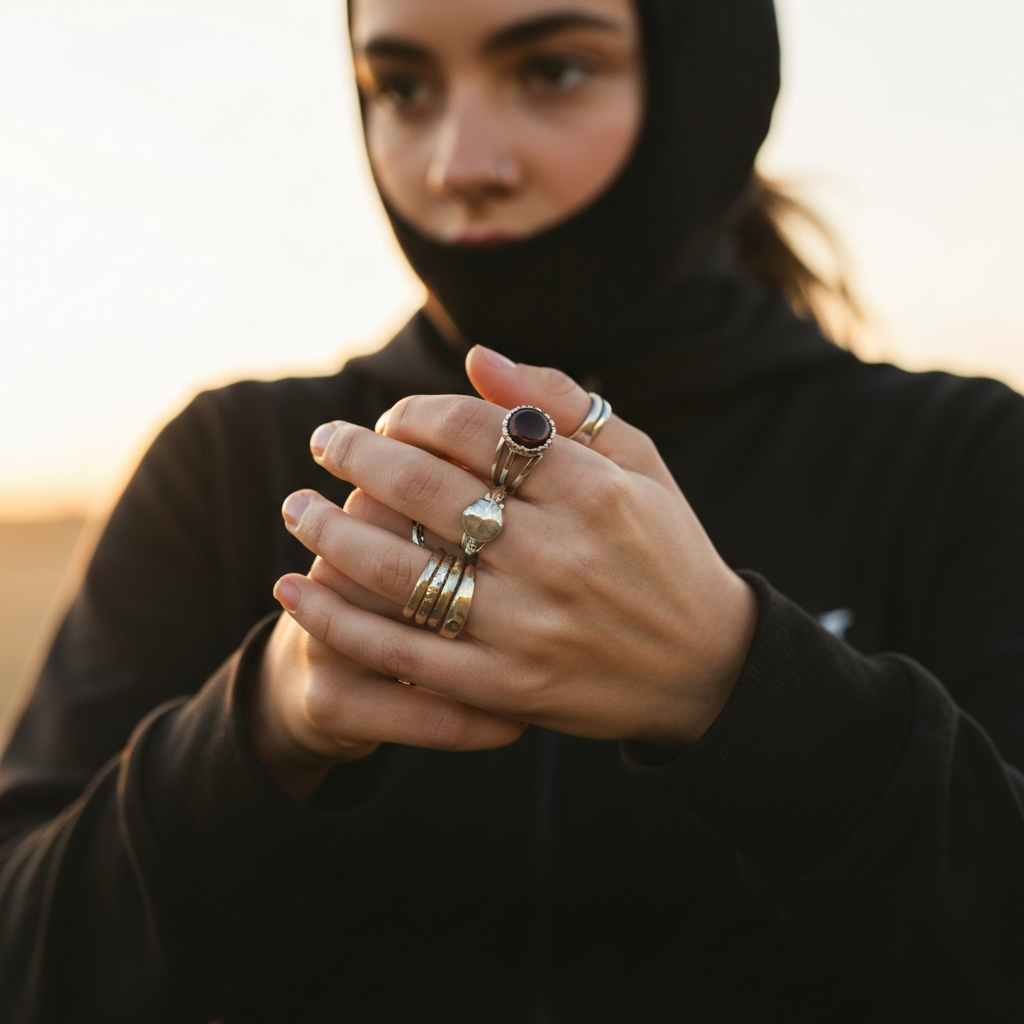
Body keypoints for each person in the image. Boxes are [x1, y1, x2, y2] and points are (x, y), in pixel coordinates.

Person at [1, 0, 1022, 1020]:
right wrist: (259, 723)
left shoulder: (958, 458)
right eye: (402, 86)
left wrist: (740, 681)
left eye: (551, 69)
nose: (460, 163)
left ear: (703, 78)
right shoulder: (231, 464)